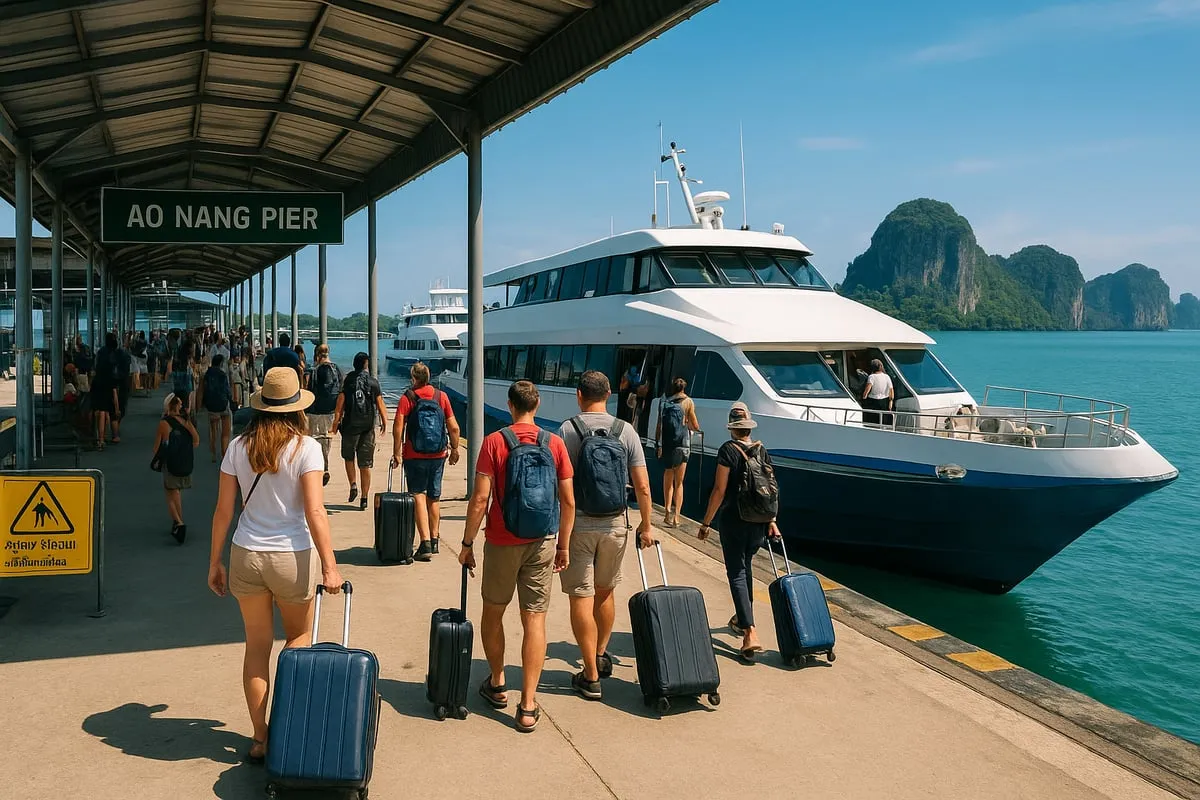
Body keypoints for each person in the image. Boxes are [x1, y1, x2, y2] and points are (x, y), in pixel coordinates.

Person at [207, 367, 345, 764]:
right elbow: (315, 511)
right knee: (298, 640)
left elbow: (223, 511)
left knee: (256, 647)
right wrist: (330, 566)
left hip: (246, 554)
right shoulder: (306, 448)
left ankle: (260, 737)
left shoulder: (238, 447)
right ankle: (289, 728)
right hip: (292, 557)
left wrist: (215, 561)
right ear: (297, 408)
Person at [460, 381, 574, 733]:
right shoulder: (554, 443)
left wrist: (467, 544)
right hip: (542, 541)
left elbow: (480, 499)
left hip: (501, 540)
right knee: (534, 620)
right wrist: (563, 546)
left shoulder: (494, 442)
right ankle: (527, 705)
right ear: (536, 405)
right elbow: (569, 501)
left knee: (493, 612)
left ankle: (497, 683)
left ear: (510, 405)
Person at [557, 370, 653, 701]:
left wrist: (559, 533)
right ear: (609, 394)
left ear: (579, 395)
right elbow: (642, 485)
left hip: (579, 525)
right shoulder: (625, 430)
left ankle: (590, 675)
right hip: (615, 524)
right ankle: (600, 653)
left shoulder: (568, 430)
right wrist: (647, 525)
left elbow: (562, 487)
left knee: (580, 597)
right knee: (605, 592)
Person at [696, 401, 781, 662]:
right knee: (746, 567)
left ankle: (749, 631)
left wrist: (706, 523)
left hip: (734, 520)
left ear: (732, 428)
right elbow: (771, 489)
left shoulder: (728, 450)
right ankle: (742, 618)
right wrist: (772, 520)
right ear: (749, 427)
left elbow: (719, 490)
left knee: (736, 572)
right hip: (758, 521)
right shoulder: (761, 449)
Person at [390, 362, 461, 561]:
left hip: (414, 455)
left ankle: (425, 543)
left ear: (413, 378)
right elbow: (454, 427)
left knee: (418, 495)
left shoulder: (408, 397)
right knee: (434, 497)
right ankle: (435, 539)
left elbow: (398, 426)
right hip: (438, 455)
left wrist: (397, 452)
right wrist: (455, 449)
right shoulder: (441, 396)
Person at [331, 352, 386, 511]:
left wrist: (335, 423)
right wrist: (384, 421)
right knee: (365, 464)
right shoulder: (373, 382)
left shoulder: (348, 381)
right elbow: (380, 404)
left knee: (349, 457)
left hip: (350, 426)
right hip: (367, 427)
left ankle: (353, 484)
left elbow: (340, 404)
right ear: (366, 365)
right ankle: (364, 498)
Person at [655, 376, 701, 528]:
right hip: (683, 445)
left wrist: (658, 445)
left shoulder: (664, 402)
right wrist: (688, 424)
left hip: (668, 445)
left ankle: (667, 511)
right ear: (684, 388)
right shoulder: (688, 402)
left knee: (668, 478)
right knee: (679, 482)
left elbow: (659, 426)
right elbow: (695, 426)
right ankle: (676, 517)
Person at [153, 392, 199, 544]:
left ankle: (179, 522)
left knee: (170, 494)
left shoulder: (164, 423)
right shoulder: (186, 422)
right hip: (184, 461)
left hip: (170, 462)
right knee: (177, 492)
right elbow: (196, 441)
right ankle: (179, 520)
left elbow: (156, 447)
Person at [307, 344, 341, 486]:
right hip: (331, 411)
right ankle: (324, 466)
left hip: (315, 410)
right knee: (326, 439)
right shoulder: (336, 369)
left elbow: (309, 388)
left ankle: (320, 467)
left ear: (317, 355)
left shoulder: (315, 370)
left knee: (315, 439)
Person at [90, 332, 120, 450]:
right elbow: (115, 370)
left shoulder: (101, 352)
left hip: (98, 382)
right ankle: (103, 438)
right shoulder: (114, 354)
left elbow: (95, 366)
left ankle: (99, 437)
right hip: (109, 382)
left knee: (99, 410)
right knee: (106, 411)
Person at [202, 353, 234, 463]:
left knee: (213, 430)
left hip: (211, 406)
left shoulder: (207, 374)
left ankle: (213, 453)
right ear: (221, 364)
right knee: (225, 432)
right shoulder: (222, 374)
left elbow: (203, 390)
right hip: (223, 404)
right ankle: (224, 454)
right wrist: (231, 399)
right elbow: (227, 390)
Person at [861, 358, 894, 426]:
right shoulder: (887, 376)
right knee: (883, 420)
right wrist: (891, 401)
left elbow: (867, 389)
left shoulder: (871, 377)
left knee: (873, 421)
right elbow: (891, 389)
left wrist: (864, 397)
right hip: (884, 401)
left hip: (873, 401)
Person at [112, 334, 132, 443]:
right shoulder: (125, 355)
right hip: (123, 383)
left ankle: (114, 431)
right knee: (121, 406)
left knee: (113, 408)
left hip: (114, 383)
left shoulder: (110, 355)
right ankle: (116, 429)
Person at [169, 339, 196, 418]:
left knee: (179, 409)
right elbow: (188, 379)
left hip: (178, 388)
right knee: (185, 410)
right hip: (185, 388)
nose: (194, 350)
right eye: (193, 348)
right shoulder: (186, 363)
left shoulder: (179, 359)